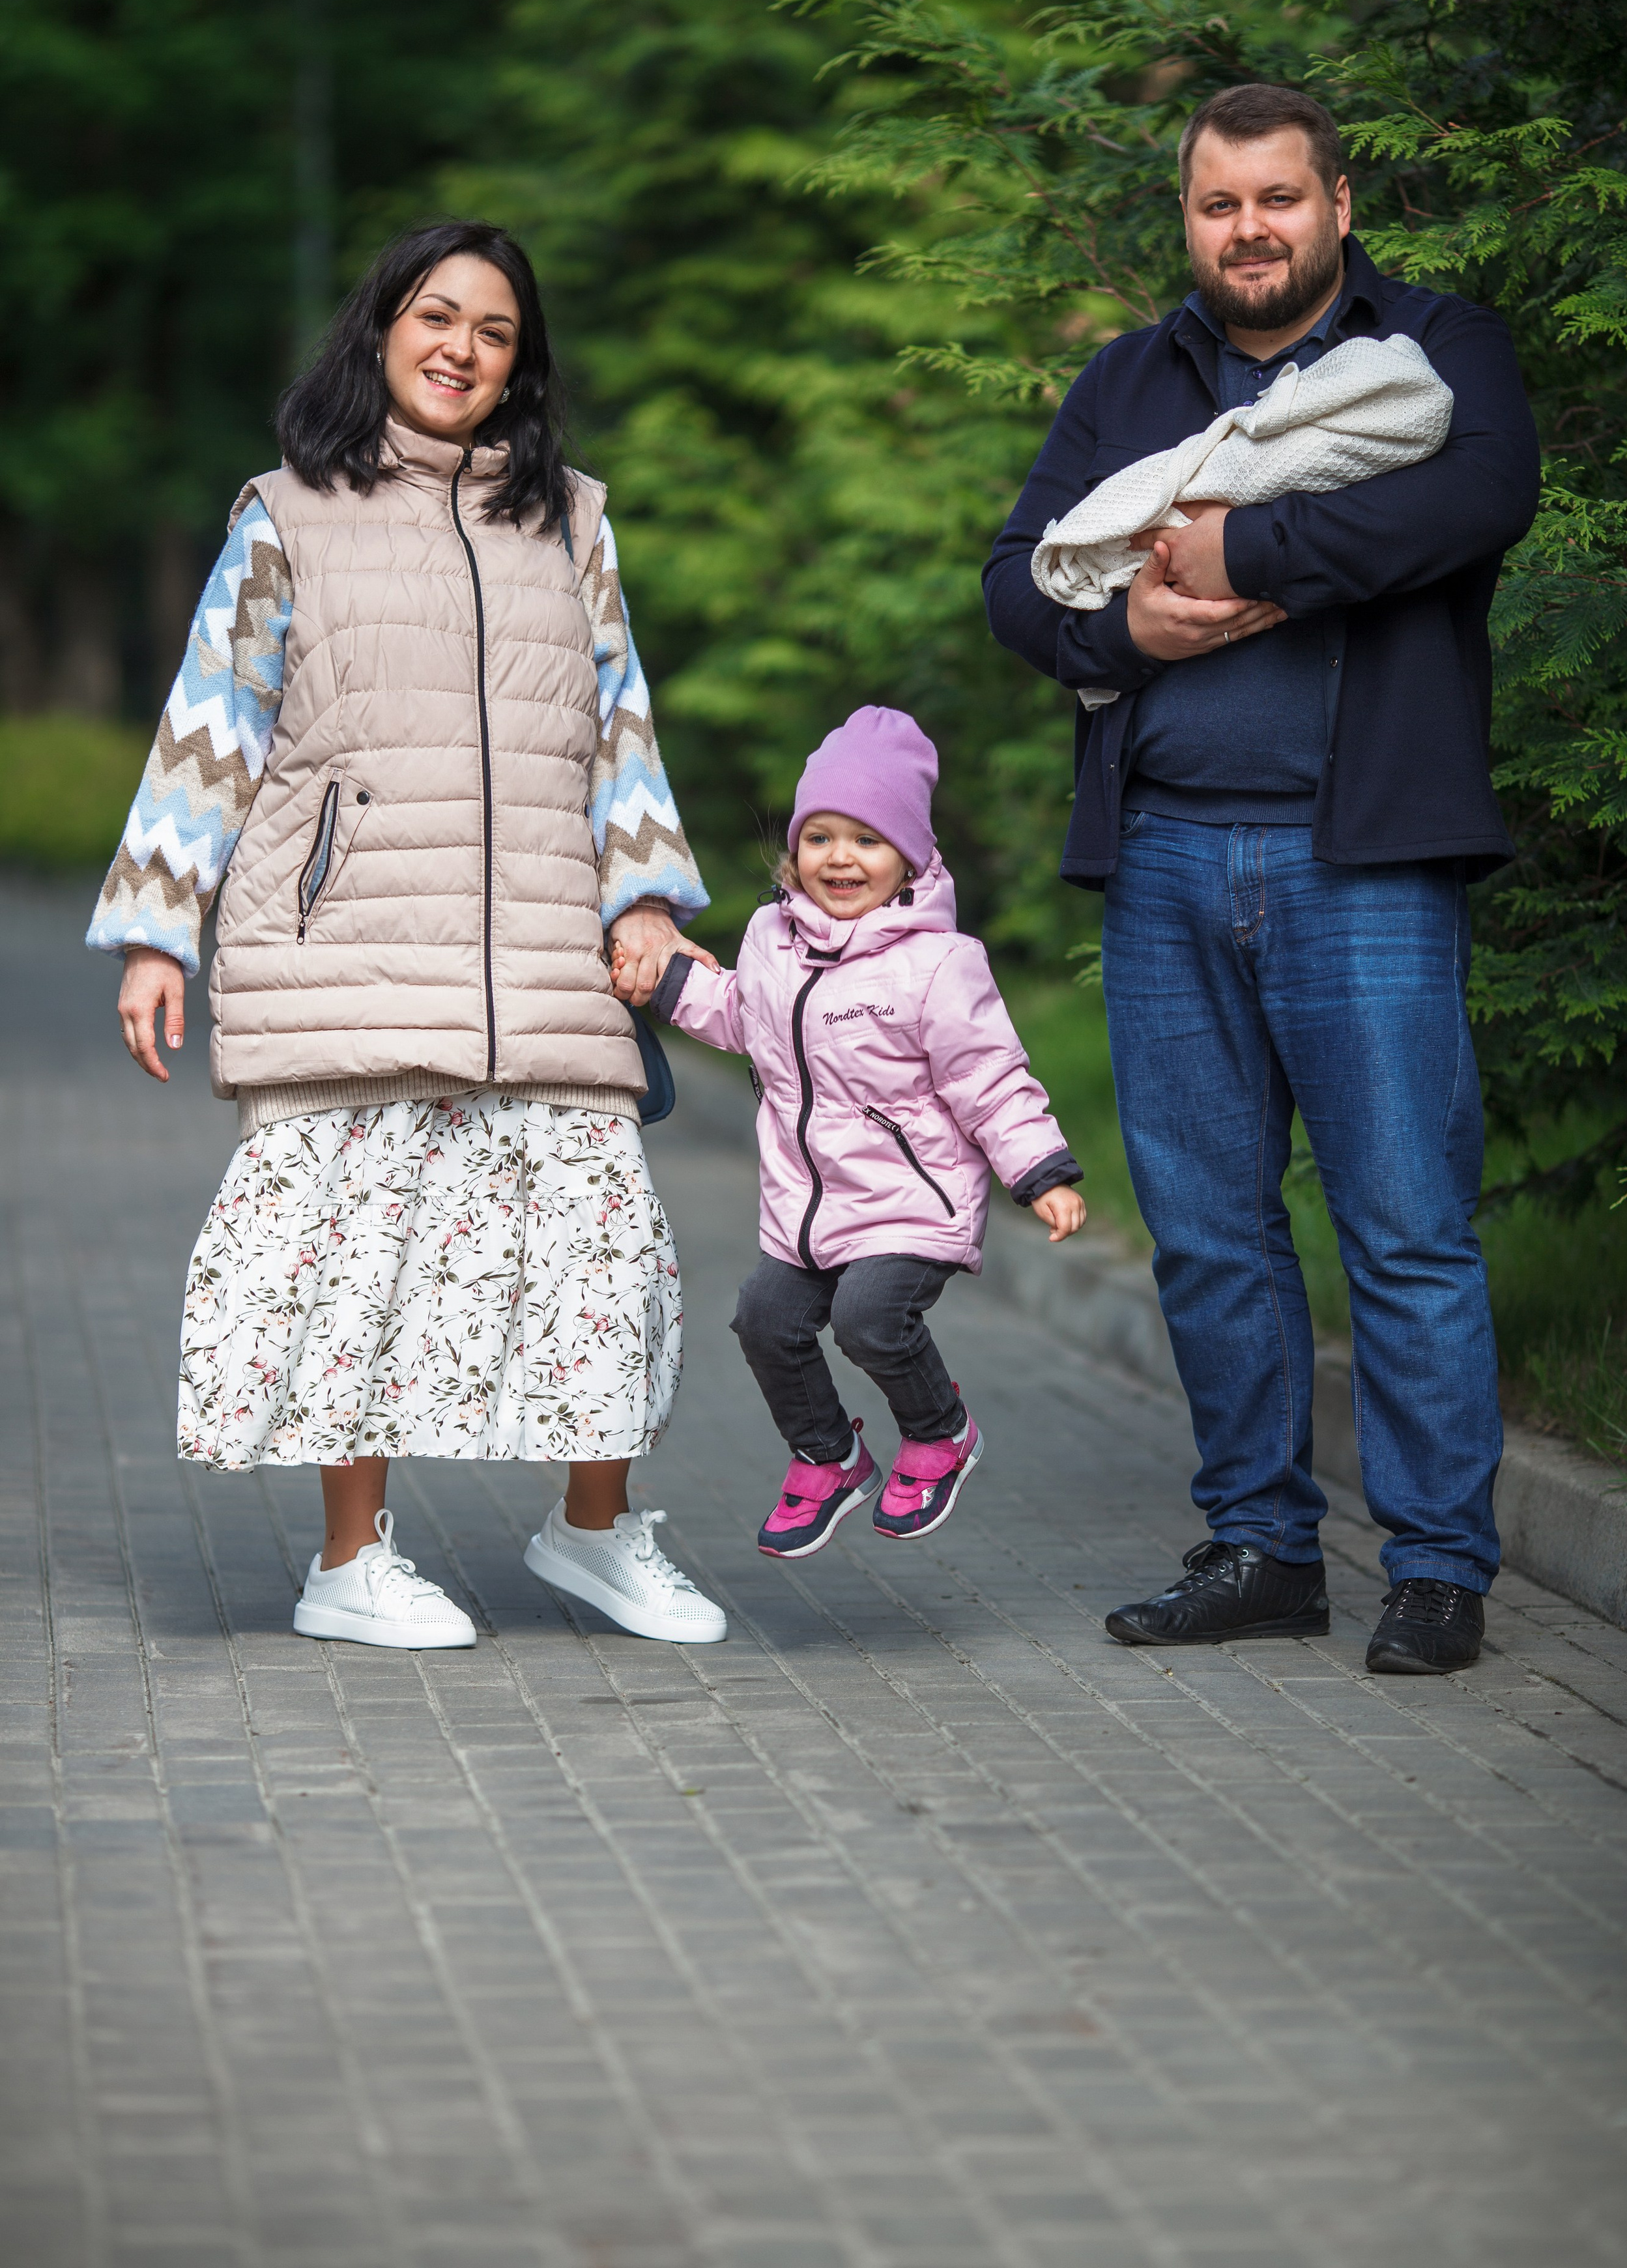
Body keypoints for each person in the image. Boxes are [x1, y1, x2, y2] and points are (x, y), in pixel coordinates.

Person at [89, 218, 728, 1649]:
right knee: (353, 1263)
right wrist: (155, 930)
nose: (462, 349)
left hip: (544, 958)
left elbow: (618, 721)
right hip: (349, 947)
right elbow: (213, 724)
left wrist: (641, 896)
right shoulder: (290, 510)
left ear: (521, 366)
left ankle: (594, 1535)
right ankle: (348, 1564)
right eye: (437, 318)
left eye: (495, 332)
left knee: (602, 1257)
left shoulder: (572, 516)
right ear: (381, 330)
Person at [984, 82, 1541, 1676]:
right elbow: (1015, 580)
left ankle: (1436, 1567)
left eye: (1276, 200)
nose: (1248, 232)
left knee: (1404, 1226)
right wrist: (1124, 632)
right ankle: (1260, 1547)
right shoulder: (1129, 377)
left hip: (1356, 856)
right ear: (1188, 217)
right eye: (1218, 205)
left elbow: (1468, 502)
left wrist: (1245, 557)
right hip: (1162, 855)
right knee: (1211, 1235)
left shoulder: (1437, 350)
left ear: (1336, 205)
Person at [643, 706, 1087, 1558]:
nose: (841, 859)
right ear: (795, 851)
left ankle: (940, 1435)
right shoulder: (774, 938)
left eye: (867, 841)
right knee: (763, 1319)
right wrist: (665, 983)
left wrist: (1041, 1171)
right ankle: (829, 1458)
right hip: (808, 1209)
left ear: (910, 858)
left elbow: (987, 1076)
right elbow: (741, 1014)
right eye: (821, 838)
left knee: (869, 1319)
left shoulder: (938, 965)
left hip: (912, 1203)